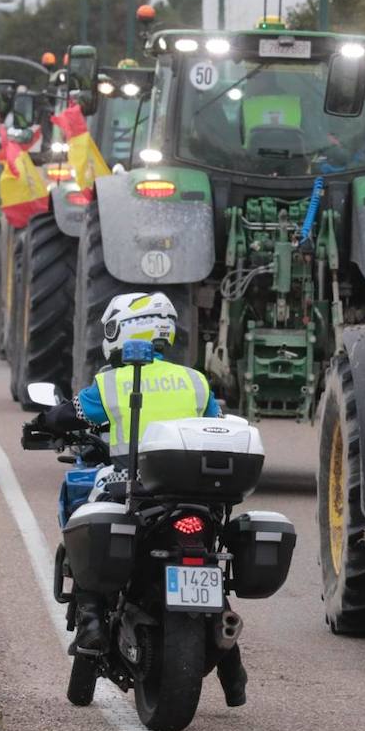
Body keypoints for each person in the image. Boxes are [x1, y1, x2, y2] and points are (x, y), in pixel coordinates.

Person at [32, 291, 249, 706]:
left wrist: (40, 423)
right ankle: (233, 673)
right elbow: (216, 426)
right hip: (194, 495)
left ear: (127, 331)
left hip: (132, 485)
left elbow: (71, 414)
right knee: (209, 567)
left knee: (86, 523)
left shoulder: (113, 382)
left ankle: (91, 620)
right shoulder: (194, 380)